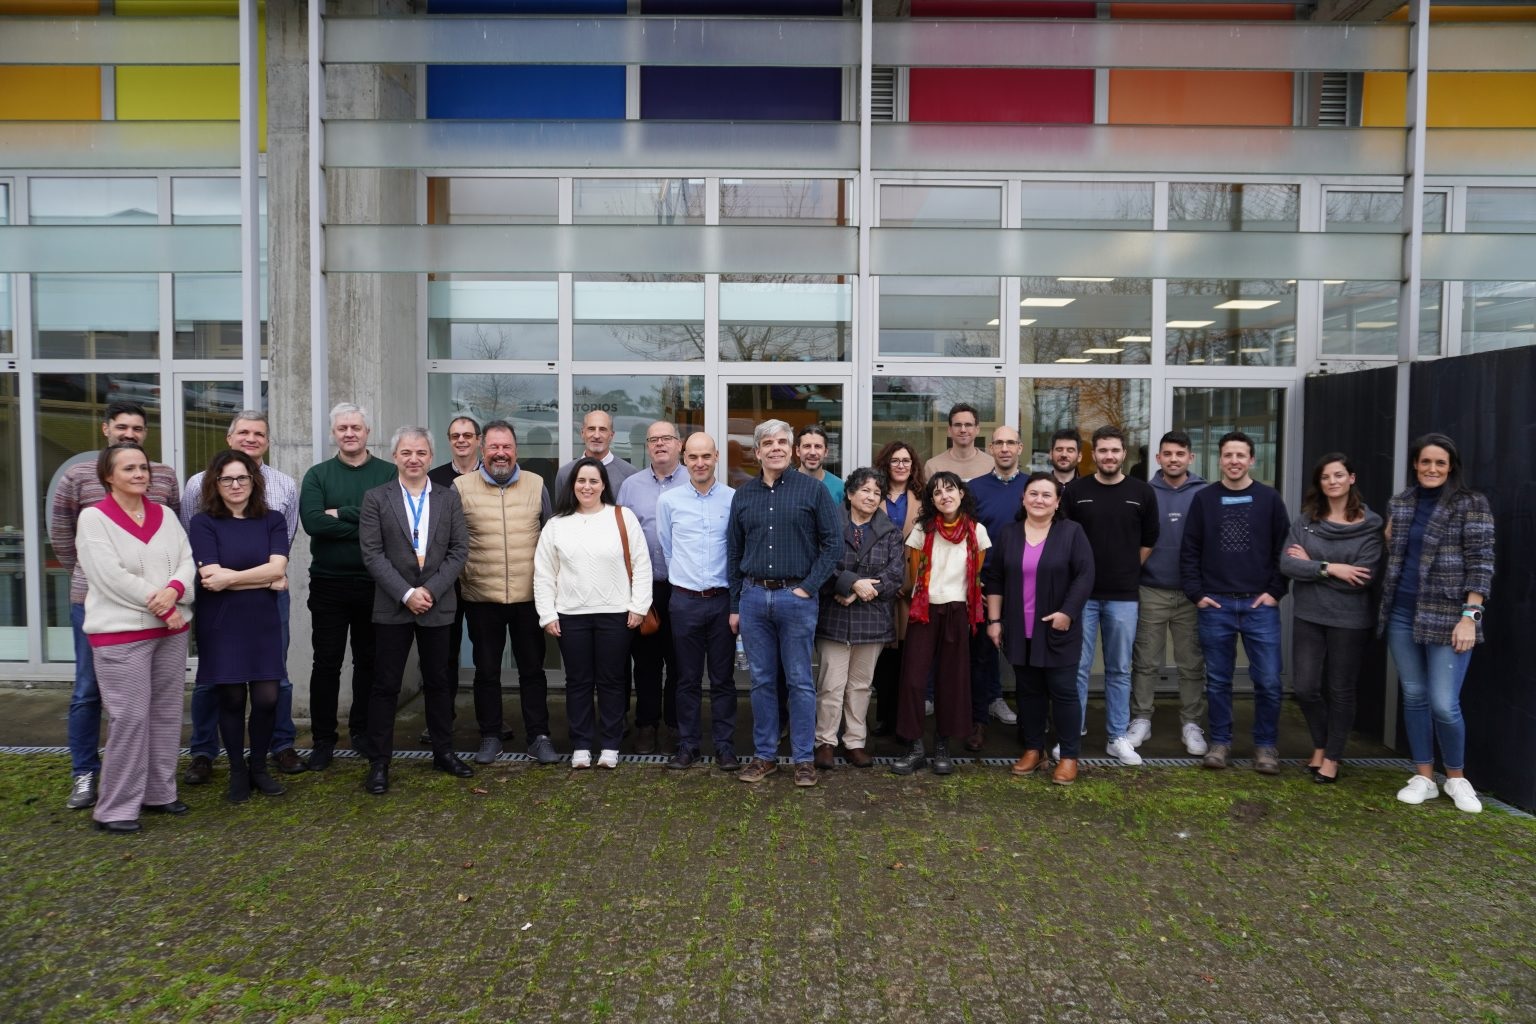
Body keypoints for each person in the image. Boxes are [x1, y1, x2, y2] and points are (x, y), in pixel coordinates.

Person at [49, 402, 180, 812]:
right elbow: (64, 539)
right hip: (100, 608)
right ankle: (86, 775)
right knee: (91, 693)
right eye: (122, 426)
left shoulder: (164, 480)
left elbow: (178, 548)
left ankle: (155, 791)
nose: (129, 433)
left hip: (164, 611)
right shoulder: (77, 478)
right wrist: (96, 584)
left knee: (157, 709)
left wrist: (172, 590)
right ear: (106, 429)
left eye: (137, 428)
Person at [75, 443, 196, 834]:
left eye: (143, 467)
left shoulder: (164, 514)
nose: (140, 474)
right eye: (129, 468)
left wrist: (176, 589)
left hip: (170, 631)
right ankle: (114, 808)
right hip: (121, 635)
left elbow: (186, 559)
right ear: (108, 475)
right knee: (129, 717)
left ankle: (159, 792)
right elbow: (107, 575)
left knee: (165, 713)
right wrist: (162, 605)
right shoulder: (94, 518)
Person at [181, 411, 306, 785]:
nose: (251, 439)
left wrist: (238, 577)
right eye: (244, 432)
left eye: (259, 434)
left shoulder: (280, 492)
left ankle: (275, 750)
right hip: (220, 615)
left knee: (272, 687)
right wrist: (264, 577)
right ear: (229, 437)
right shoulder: (198, 496)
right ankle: (206, 753)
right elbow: (203, 565)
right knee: (220, 689)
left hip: (264, 613)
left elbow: (280, 560)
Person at [1378, 433, 1494, 813]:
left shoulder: (1470, 503)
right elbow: (1401, 555)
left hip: (1449, 617)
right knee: (1414, 695)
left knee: (1444, 703)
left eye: (1440, 463)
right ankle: (1425, 777)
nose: (1432, 469)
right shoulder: (1401, 502)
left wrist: (1469, 617)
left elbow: (1481, 562)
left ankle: (1457, 780)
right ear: (1415, 464)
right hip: (1402, 612)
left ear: (1451, 467)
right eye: (1425, 462)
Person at [358, 427, 472, 796]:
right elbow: (372, 554)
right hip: (393, 605)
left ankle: (443, 751)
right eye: (406, 452)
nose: (413, 459)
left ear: (430, 456)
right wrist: (407, 593)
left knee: (439, 682)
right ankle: (379, 762)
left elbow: (458, 551)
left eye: (421, 453)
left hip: (438, 603)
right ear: (395, 457)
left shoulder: (447, 497)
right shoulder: (376, 498)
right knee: (385, 685)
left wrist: (430, 590)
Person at [727, 419, 841, 787]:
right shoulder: (743, 495)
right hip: (754, 598)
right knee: (760, 681)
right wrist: (735, 603)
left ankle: (803, 759)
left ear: (791, 450)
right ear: (757, 451)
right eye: (767, 443)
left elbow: (833, 545)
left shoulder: (812, 491)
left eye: (782, 442)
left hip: (797, 598)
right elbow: (733, 553)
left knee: (800, 681)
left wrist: (808, 587)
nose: (775, 448)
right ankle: (765, 756)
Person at [1180, 430, 1290, 774]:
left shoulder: (1270, 499)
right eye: (1228, 455)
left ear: (1252, 460)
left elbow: (1283, 551)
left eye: (1241, 455)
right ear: (1220, 460)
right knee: (1218, 680)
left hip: (1261, 606)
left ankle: (1265, 746)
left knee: (1269, 680)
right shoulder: (1204, 499)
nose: (1234, 461)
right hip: (1217, 605)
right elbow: (1190, 550)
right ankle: (1220, 743)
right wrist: (1197, 594)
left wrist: (1275, 591)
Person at [299, 402, 399, 770]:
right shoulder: (318, 475)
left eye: (356, 427)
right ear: (333, 433)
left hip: (377, 585)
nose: (349, 433)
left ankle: (363, 732)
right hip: (328, 584)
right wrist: (366, 523)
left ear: (368, 432)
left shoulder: (389, 472)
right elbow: (312, 522)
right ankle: (324, 739)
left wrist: (339, 512)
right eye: (342, 428)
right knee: (326, 663)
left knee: (368, 663)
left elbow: (391, 523)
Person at [535, 458, 652, 769]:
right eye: (581, 481)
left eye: (594, 481)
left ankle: (611, 744)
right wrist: (547, 614)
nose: (587, 486)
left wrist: (639, 606)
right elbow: (544, 573)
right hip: (571, 615)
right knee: (578, 682)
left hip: (616, 614)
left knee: (613, 680)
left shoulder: (622, 517)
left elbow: (641, 564)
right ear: (573, 485)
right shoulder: (556, 524)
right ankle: (582, 745)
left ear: (604, 485)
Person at [455, 419, 561, 765]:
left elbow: (550, 538)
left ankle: (539, 736)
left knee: (533, 670)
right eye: (494, 447)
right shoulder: (460, 487)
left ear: (516, 450)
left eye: (507, 447)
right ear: (483, 450)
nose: (501, 453)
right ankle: (490, 735)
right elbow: (454, 542)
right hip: (481, 596)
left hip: (529, 597)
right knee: (486, 671)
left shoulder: (536, 484)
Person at [983, 472, 1095, 785]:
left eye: (1047, 495)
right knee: (1028, 692)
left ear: (1058, 502)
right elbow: (995, 578)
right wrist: (994, 621)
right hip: (1019, 628)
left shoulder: (1072, 532)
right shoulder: (1010, 534)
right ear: (1023, 498)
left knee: (1063, 692)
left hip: (1058, 628)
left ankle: (1070, 756)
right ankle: (1034, 750)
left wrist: (1068, 613)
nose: (1039, 500)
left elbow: (1085, 576)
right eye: (1033, 494)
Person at [1280, 453, 1384, 785]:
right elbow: (1287, 564)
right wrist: (1332, 568)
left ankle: (1332, 757)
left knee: (1341, 690)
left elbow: (1363, 579)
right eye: (1326, 477)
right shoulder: (1307, 520)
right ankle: (1321, 745)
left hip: (1349, 621)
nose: (1333, 482)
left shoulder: (1370, 525)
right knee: (1307, 687)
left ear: (1351, 478)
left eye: (1339, 475)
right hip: (1309, 615)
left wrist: (1312, 563)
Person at [1063, 425, 1159, 767]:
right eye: (1102, 450)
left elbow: (1149, 539)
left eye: (1115, 450)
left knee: (1119, 668)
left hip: (1123, 596)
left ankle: (1117, 736)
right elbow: (1065, 541)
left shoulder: (1141, 492)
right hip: (1082, 596)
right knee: (1077, 668)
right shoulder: (1076, 491)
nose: (1109, 456)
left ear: (1124, 454)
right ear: (1094, 454)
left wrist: (1127, 569)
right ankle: (1070, 735)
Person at [891, 471, 992, 777]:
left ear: (962, 493)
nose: (944, 496)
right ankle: (914, 747)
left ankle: (942, 747)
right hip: (924, 611)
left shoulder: (977, 531)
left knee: (952, 680)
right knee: (913, 680)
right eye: (937, 492)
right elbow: (912, 572)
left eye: (950, 489)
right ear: (931, 500)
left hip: (958, 610)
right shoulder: (922, 530)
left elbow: (975, 574)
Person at [813, 467, 905, 770]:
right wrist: (851, 583)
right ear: (850, 494)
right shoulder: (829, 525)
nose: (871, 496)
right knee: (831, 685)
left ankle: (855, 742)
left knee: (861, 686)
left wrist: (859, 590)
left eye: (877, 492)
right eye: (865, 490)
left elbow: (895, 576)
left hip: (872, 620)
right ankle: (825, 741)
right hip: (833, 618)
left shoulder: (890, 531)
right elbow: (818, 564)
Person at [656, 433, 738, 771]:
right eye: (693, 457)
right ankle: (688, 745)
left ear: (716, 456)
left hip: (721, 601)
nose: (700, 463)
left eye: (706, 456)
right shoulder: (669, 501)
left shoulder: (734, 499)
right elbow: (667, 546)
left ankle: (725, 746)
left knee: (723, 680)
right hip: (684, 601)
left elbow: (737, 550)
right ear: (684, 458)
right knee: (686, 679)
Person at [1129, 430, 1211, 757]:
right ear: (1159, 458)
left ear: (1190, 457)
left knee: (1191, 663)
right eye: (1167, 454)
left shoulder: (1205, 493)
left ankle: (1191, 723)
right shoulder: (1145, 492)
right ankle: (1141, 719)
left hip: (1192, 592)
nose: (1173, 459)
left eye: (1180, 453)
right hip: (1151, 588)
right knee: (1146, 660)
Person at [616, 421, 686, 754]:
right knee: (644, 662)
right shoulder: (630, 486)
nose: (660, 444)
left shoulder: (695, 480)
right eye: (653, 440)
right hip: (643, 589)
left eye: (666, 439)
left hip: (684, 587)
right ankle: (646, 725)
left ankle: (674, 725)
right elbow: (620, 537)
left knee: (679, 662)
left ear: (679, 444)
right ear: (647, 446)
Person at [964, 425, 1028, 749]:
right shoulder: (975, 488)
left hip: (1026, 584)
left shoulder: (1033, 487)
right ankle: (978, 722)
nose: (1004, 448)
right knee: (981, 657)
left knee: (1027, 657)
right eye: (999, 443)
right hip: (985, 583)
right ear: (990, 448)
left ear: (1020, 447)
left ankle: (1031, 729)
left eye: (1010, 443)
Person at [421, 415, 482, 745]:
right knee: (444, 656)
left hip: (482, 577)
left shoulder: (491, 474)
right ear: (449, 440)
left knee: (486, 654)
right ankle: (440, 722)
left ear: (478, 439)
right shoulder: (434, 478)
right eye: (455, 435)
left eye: (468, 435)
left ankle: (491, 721)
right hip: (443, 581)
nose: (461, 440)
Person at [871, 440, 925, 734]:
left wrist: (912, 583)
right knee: (882, 658)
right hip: (878, 589)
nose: (901, 465)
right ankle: (884, 718)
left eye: (906, 460)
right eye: (895, 460)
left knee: (906, 657)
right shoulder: (873, 495)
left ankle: (903, 720)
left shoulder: (923, 498)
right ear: (886, 465)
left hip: (910, 590)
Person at [554, 409, 639, 495]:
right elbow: (562, 508)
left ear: (611, 435)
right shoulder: (565, 473)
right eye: (591, 429)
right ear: (582, 433)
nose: (596, 435)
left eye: (602, 429)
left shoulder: (629, 474)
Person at [924, 402, 994, 482]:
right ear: (949, 430)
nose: (963, 430)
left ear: (977, 429)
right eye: (957, 425)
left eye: (968, 425)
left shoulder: (992, 466)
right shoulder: (933, 466)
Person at [796, 424, 844, 503]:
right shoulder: (785, 484)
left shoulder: (840, 488)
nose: (812, 452)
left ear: (825, 452)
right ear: (798, 451)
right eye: (807, 446)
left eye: (818, 446)